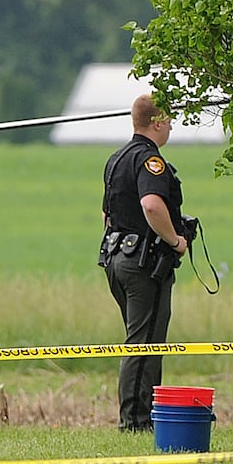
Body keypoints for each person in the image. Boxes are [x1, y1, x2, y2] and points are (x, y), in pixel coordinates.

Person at [98, 94, 189, 432]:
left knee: (138, 338)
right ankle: (136, 422)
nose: (171, 126)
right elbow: (151, 205)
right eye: (169, 119)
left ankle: (137, 416)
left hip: (117, 259)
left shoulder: (116, 159)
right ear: (157, 122)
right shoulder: (151, 161)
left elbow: (107, 215)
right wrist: (175, 240)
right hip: (143, 265)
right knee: (145, 343)